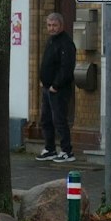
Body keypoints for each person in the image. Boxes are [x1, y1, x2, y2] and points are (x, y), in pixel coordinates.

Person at [38, 12, 76, 163]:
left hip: (58, 89)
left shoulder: (65, 43)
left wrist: (56, 85)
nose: (51, 28)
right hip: (47, 88)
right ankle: (50, 148)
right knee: (46, 119)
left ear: (61, 25)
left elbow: (66, 67)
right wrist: (43, 81)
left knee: (59, 120)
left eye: (54, 25)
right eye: (49, 25)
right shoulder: (51, 41)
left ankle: (67, 151)